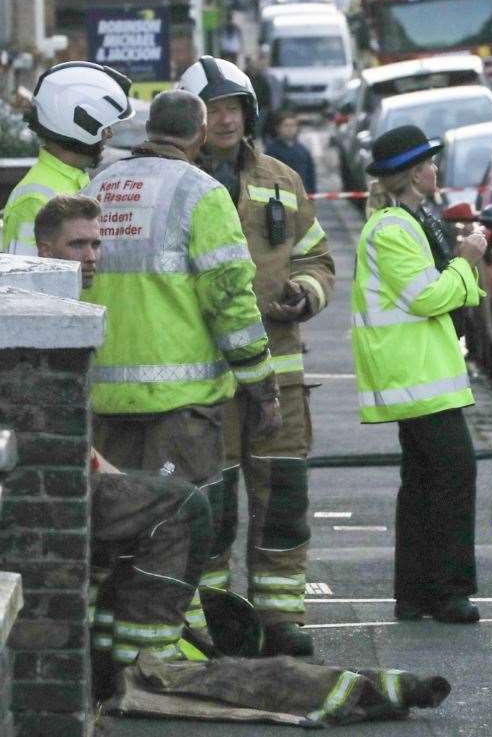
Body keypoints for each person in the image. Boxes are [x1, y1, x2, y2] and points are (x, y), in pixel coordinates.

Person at [80, 89, 280, 633]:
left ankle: (106, 651)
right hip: (180, 407)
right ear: (196, 134)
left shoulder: (100, 186)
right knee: (174, 533)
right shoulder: (201, 192)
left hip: (104, 399)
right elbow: (231, 300)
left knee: (114, 532)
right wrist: (262, 385)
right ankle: (157, 653)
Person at [179, 56, 335, 657]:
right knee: (212, 504)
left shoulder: (281, 178)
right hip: (207, 377)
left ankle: (280, 617)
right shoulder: (183, 183)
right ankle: (218, 616)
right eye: (212, 109)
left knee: (283, 500)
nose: (224, 120)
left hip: (281, 370)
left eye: (233, 108)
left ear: (249, 114)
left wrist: (306, 291)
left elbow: (316, 257)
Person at [34, 194, 214, 695]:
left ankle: (112, 656)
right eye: (77, 245)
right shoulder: (46, 311)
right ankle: (145, 663)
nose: (91, 256)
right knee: (185, 508)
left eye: (96, 243)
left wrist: (108, 469)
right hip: (47, 488)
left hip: (64, 475)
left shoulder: (72, 303)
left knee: (160, 501)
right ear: (45, 250)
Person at [351, 125, 487, 625]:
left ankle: (415, 595)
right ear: (413, 173)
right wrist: (467, 261)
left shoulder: (410, 221)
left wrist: (460, 268)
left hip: (421, 372)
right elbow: (426, 296)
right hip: (415, 375)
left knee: (426, 482)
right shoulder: (393, 229)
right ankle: (447, 593)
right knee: (453, 474)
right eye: (429, 164)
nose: (435, 170)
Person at [2, 61, 132, 255]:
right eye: (105, 125)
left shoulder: (74, 182)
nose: (109, 134)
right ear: (81, 123)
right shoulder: (35, 198)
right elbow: (25, 280)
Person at [265, 110, 317, 194]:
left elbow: (310, 175)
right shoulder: (271, 151)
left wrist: (311, 193)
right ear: (278, 128)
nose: (290, 129)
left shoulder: (303, 151)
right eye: (286, 126)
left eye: (293, 126)